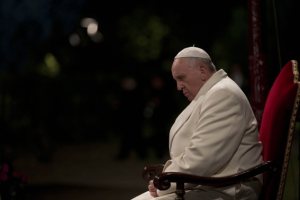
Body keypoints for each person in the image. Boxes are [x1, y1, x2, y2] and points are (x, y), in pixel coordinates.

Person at [132, 47, 263, 200]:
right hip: (206, 183)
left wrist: (165, 181)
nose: (178, 86)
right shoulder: (210, 93)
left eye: (181, 78)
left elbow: (202, 158)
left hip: (229, 189)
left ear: (202, 70)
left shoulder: (223, 94)